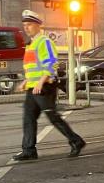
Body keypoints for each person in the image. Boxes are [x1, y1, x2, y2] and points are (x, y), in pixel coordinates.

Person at [13, 10, 86, 161]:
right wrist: (26, 81)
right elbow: (34, 67)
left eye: (30, 25)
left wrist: (40, 81)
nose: (26, 28)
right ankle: (29, 150)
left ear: (38, 26)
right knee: (28, 118)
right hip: (32, 87)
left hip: (44, 87)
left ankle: (76, 141)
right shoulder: (30, 44)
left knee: (53, 117)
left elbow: (52, 63)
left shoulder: (44, 42)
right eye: (24, 25)